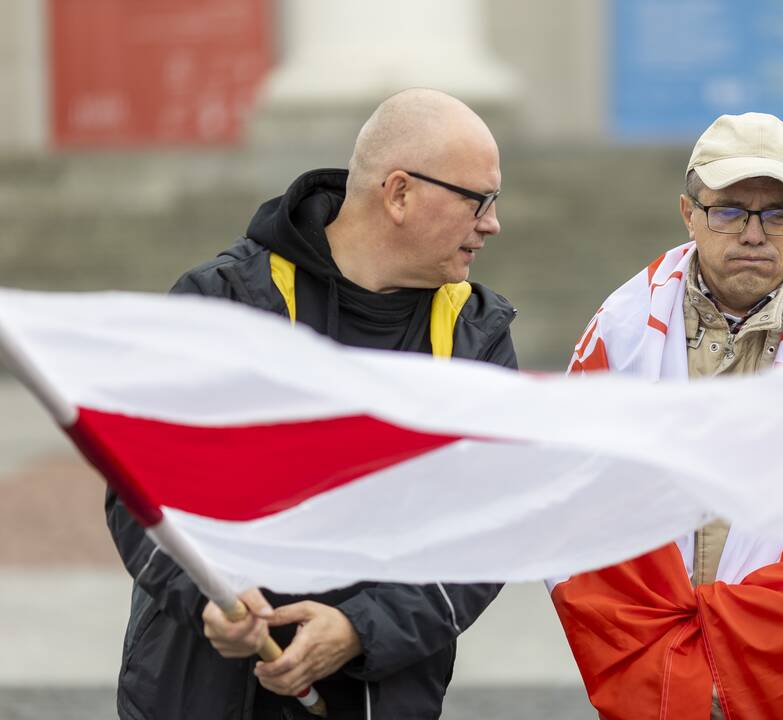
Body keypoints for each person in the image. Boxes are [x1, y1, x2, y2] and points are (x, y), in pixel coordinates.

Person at [106, 88, 516, 720]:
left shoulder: (477, 337)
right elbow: (137, 485)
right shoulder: (225, 301)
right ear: (400, 192)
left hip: (378, 697)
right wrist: (208, 599)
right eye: (477, 200)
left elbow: (489, 531)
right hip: (203, 693)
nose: (492, 222)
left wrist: (362, 629)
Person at [548, 112, 783, 719]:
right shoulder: (619, 333)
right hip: (658, 669)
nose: (754, 233)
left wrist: (732, 661)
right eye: (729, 210)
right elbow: (578, 512)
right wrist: (675, 664)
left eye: (777, 213)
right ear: (689, 213)